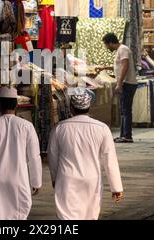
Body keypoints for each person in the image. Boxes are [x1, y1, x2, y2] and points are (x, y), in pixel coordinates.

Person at [47, 88, 123, 220]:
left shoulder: (59, 128)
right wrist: (116, 187)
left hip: (67, 179)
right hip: (91, 180)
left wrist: (55, 178)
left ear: (71, 107)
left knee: (67, 216)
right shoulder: (102, 128)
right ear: (89, 107)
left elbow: (52, 156)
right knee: (90, 215)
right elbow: (109, 159)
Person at [0, 87, 42, 220]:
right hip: (19, 179)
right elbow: (34, 157)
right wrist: (36, 181)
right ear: (16, 104)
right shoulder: (27, 126)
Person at [103, 33, 137, 143]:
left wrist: (119, 83)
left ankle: (127, 136)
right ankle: (123, 135)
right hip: (125, 83)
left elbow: (125, 66)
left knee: (126, 110)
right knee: (123, 110)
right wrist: (104, 67)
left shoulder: (123, 49)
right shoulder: (121, 50)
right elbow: (120, 65)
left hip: (127, 83)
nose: (106, 47)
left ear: (111, 43)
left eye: (106, 45)